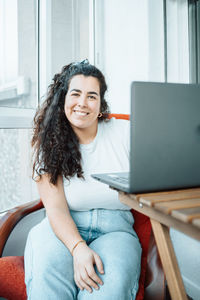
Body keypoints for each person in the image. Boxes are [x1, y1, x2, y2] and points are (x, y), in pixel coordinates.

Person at [24, 60, 142, 300]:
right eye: (75, 94)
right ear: (63, 100)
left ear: (100, 104)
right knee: (48, 282)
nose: (82, 103)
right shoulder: (46, 143)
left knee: (105, 292)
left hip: (116, 230)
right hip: (62, 226)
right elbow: (55, 208)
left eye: (92, 96)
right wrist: (78, 248)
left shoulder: (125, 132)